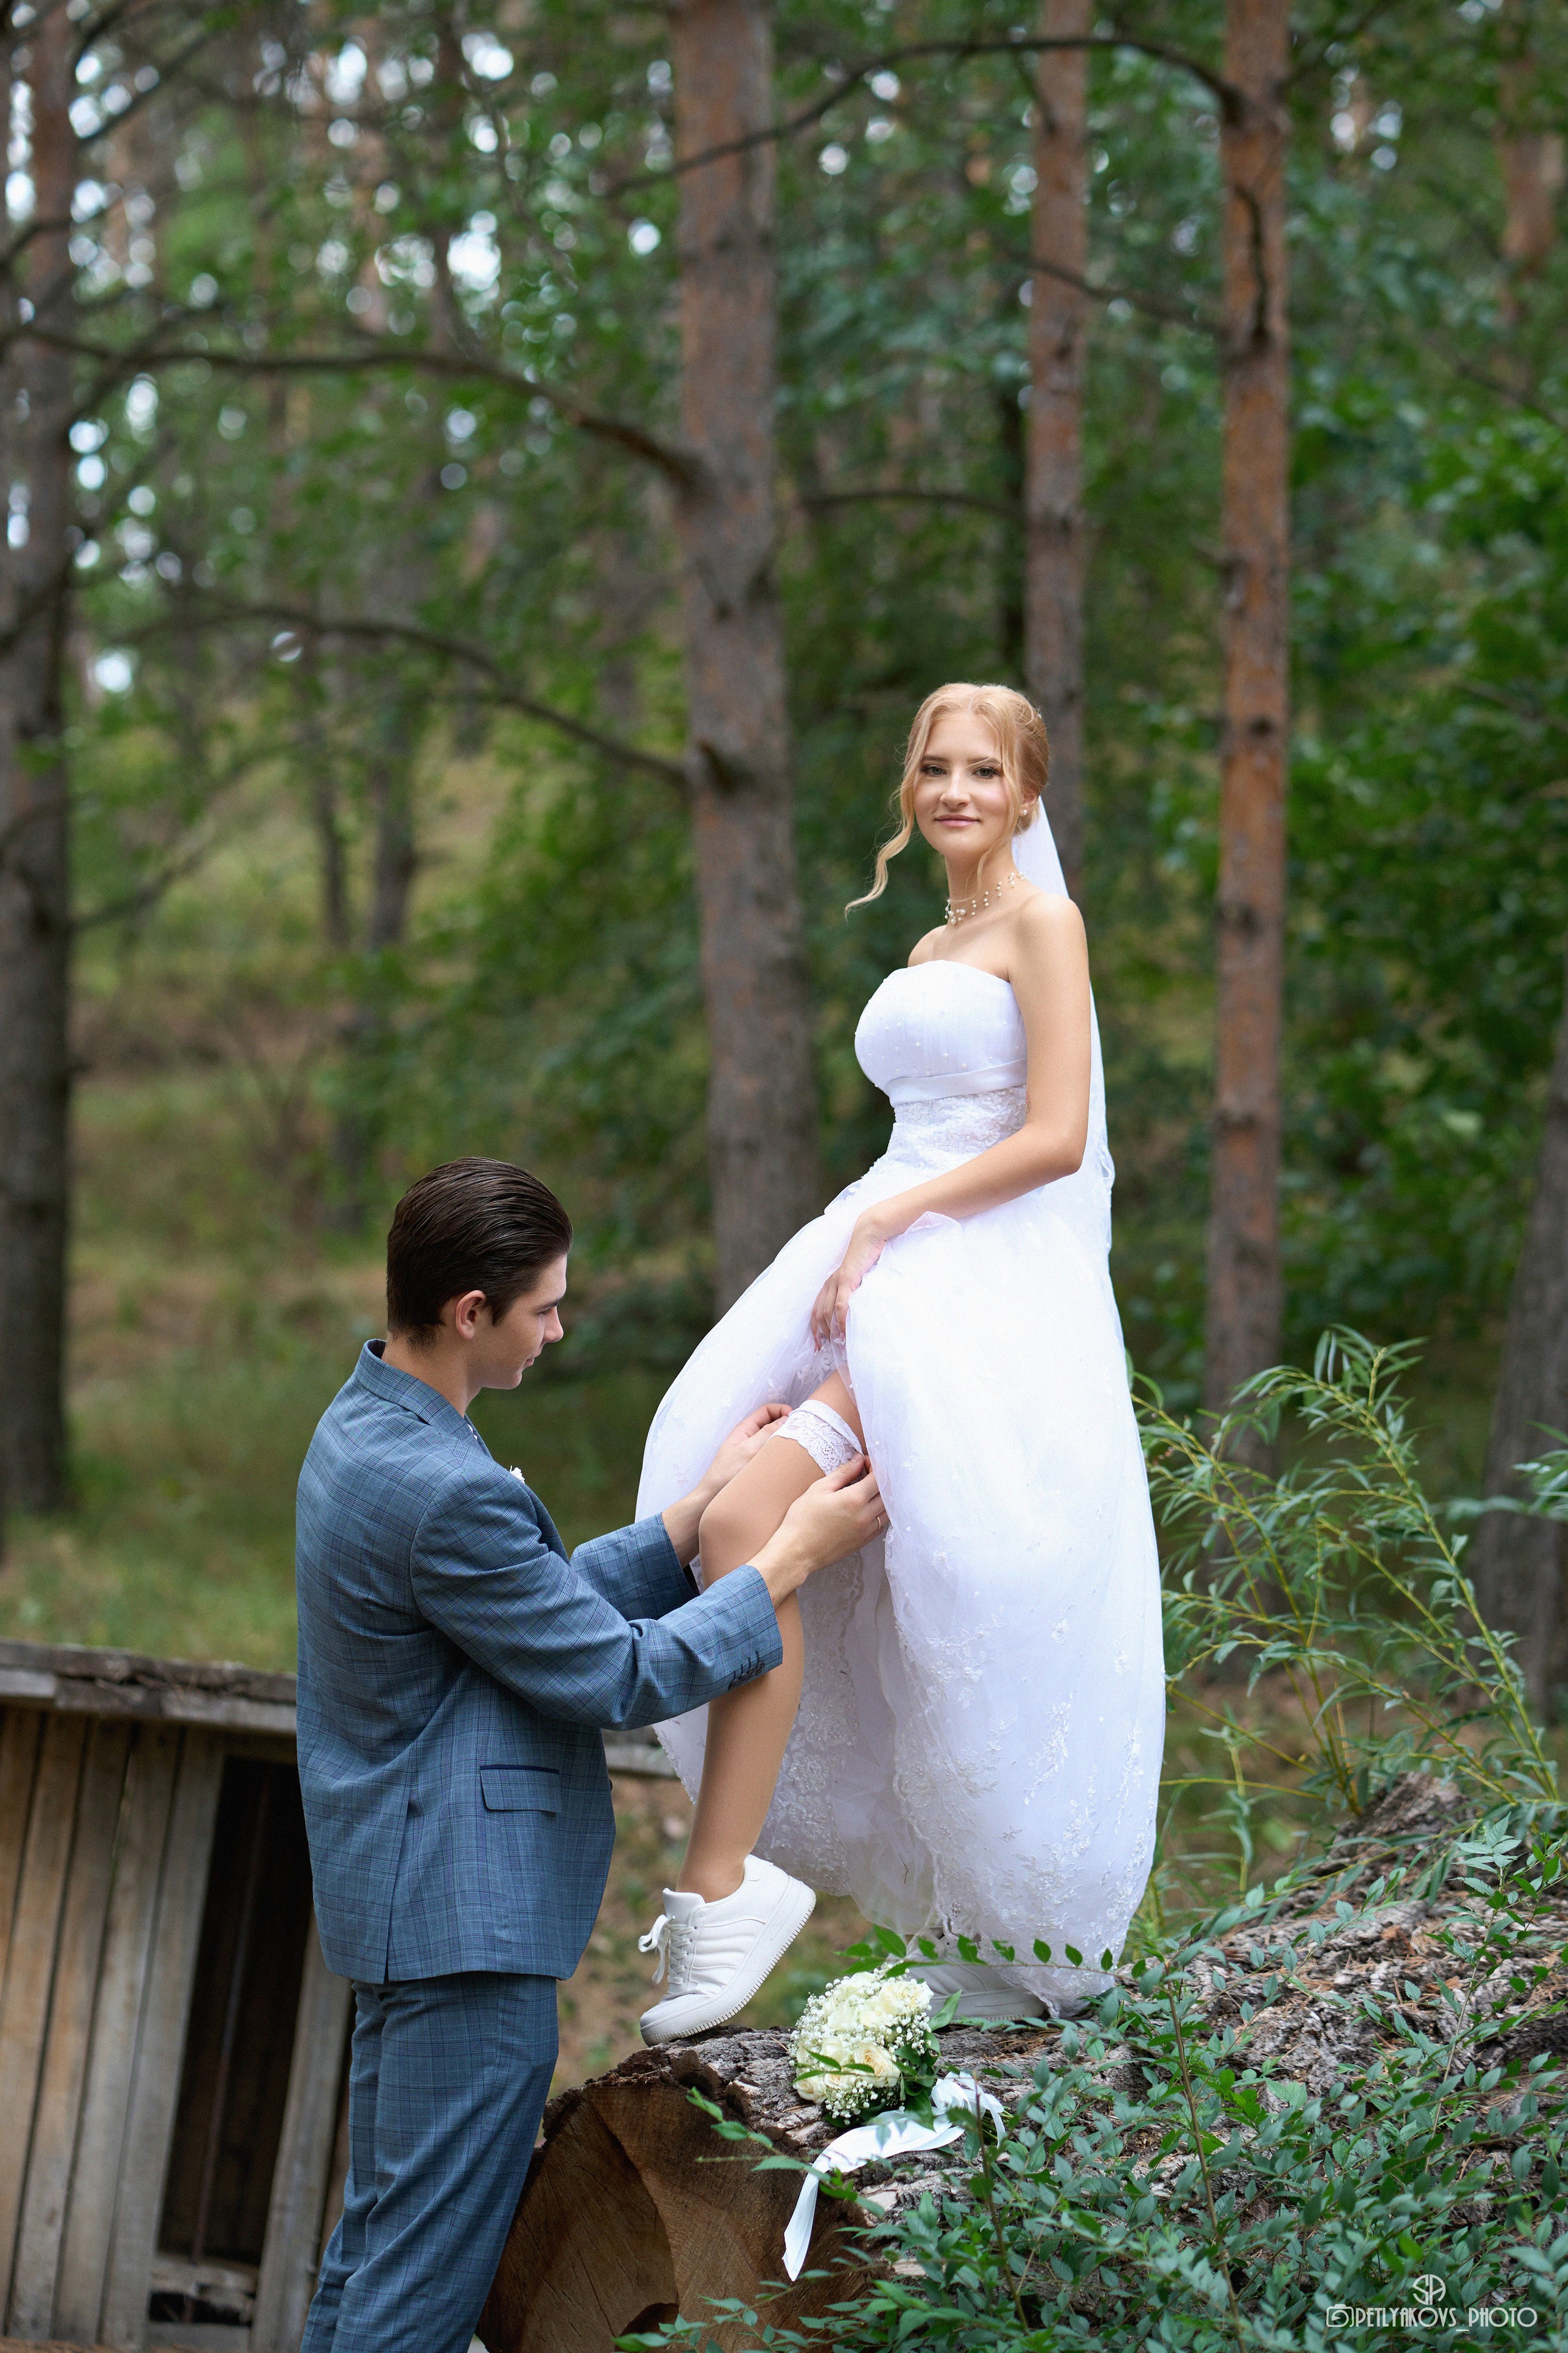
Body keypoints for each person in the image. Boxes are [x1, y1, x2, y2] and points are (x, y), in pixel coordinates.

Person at [635, 683, 1165, 2044]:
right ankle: (737, 1882)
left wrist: (890, 1219)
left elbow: (1055, 1134)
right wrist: (854, 1243)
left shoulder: (1046, 925)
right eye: (934, 767)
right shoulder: (936, 935)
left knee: (846, 1553)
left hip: (968, 1274)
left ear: (1027, 793)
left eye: (984, 771)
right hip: (887, 1254)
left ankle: (749, 1885)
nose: (954, 791)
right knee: (729, 1500)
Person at [294, 1157, 881, 2353]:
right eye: (545, 1306)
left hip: (414, 1907)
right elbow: (619, 1673)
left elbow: (527, 1609)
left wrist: (688, 1520)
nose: (558, 1329)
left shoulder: (364, 1428)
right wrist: (785, 1559)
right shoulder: (444, 1488)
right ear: (471, 1313)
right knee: (419, 2293)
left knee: (375, 2261)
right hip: (462, 1930)